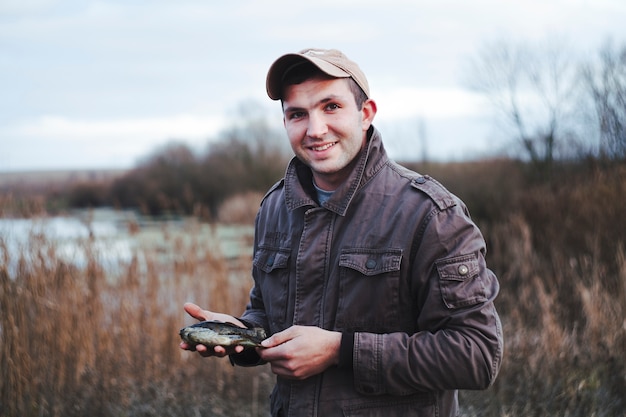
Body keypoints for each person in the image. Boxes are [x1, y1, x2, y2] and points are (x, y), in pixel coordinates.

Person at [181, 48, 503, 417]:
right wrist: (242, 335)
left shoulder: (431, 215)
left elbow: (477, 354)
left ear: (366, 114)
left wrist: (340, 350)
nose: (315, 130)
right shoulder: (274, 208)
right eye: (298, 114)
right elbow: (267, 314)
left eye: (331, 106)